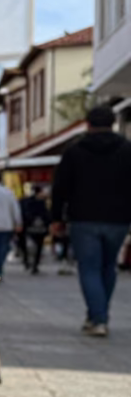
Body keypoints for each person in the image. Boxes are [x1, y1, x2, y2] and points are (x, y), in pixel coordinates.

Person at [51, 104, 131, 337]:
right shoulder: (127, 150)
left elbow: (60, 187)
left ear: (88, 124)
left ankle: (98, 318)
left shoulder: (74, 150)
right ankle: (98, 314)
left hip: (83, 218)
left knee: (89, 268)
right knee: (108, 267)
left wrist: (57, 217)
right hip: (118, 219)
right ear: (113, 123)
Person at [20, 186, 51, 273]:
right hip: (33, 227)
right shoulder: (34, 202)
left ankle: (34, 263)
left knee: (38, 246)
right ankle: (31, 262)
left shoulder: (37, 202)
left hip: (37, 227)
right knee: (34, 246)